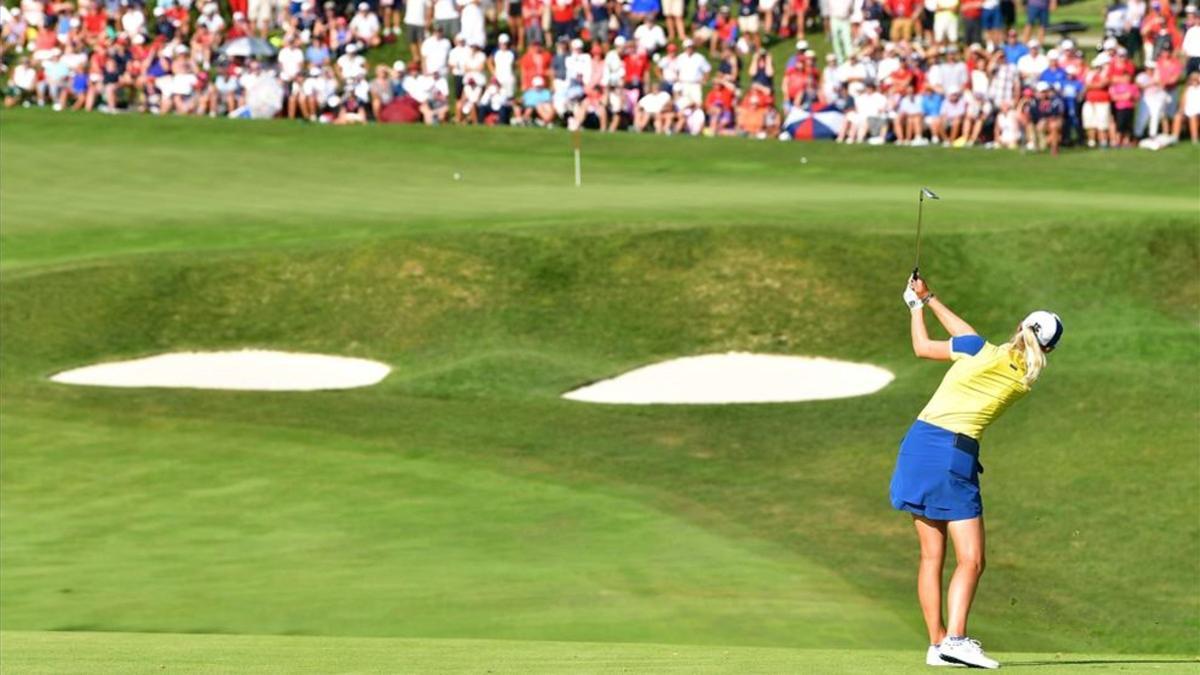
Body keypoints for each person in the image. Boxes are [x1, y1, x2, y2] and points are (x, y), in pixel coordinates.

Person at [891, 274, 1063, 670]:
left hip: (917, 445)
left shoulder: (976, 350)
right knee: (971, 560)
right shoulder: (1024, 377)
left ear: (1019, 326)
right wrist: (929, 297)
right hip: (953, 455)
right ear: (1050, 348)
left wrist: (916, 307)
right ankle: (955, 640)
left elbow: (924, 346)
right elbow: (967, 333)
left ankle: (938, 644)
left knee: (931, 555)